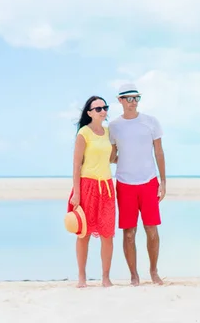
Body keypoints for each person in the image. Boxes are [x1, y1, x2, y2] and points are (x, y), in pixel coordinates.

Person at [108, 83, 166, 286]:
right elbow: (112, 155)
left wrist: (163, 181)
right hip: (124, 183)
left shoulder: (151, 122)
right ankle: (134, 275)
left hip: (149, 181)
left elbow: (159, 152)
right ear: (120, 101)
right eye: (129, 98)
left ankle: (153, 270)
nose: (133, 102)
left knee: (152, 229)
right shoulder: (114, 126)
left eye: (136, 98)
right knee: (129, 232)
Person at [68, 95, 116, 288]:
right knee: (84, 233)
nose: (103, 111)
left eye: (105, 107)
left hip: (106, 187)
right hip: (87, 186)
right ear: (89, 113)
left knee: (107, 234)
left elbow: (113, 158)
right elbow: (76, 165)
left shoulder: (108, 132)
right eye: (98, 109)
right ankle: (82, 277)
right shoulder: (84, 133)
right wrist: (77, 194)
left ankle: (106, 278)